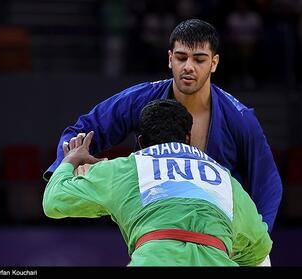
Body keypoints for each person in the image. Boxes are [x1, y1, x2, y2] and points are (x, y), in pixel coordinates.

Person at [44, 18, 282, 234]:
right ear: (170, 59)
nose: (188, 66)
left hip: (218, 230)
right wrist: (71, 165)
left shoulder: (239, 118)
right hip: (156, 223)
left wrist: (258, 238)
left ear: (214, 63)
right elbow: (79, 132)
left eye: (199, 59)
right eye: (181, 57)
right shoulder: (141, 99)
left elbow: (268, 183)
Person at [43, 99, 272, 266]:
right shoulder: (224, 178)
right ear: (188, 139)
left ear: (141, 142)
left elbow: (53, 202)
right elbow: (260, 248)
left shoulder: (124, 168)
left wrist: (69, 161)